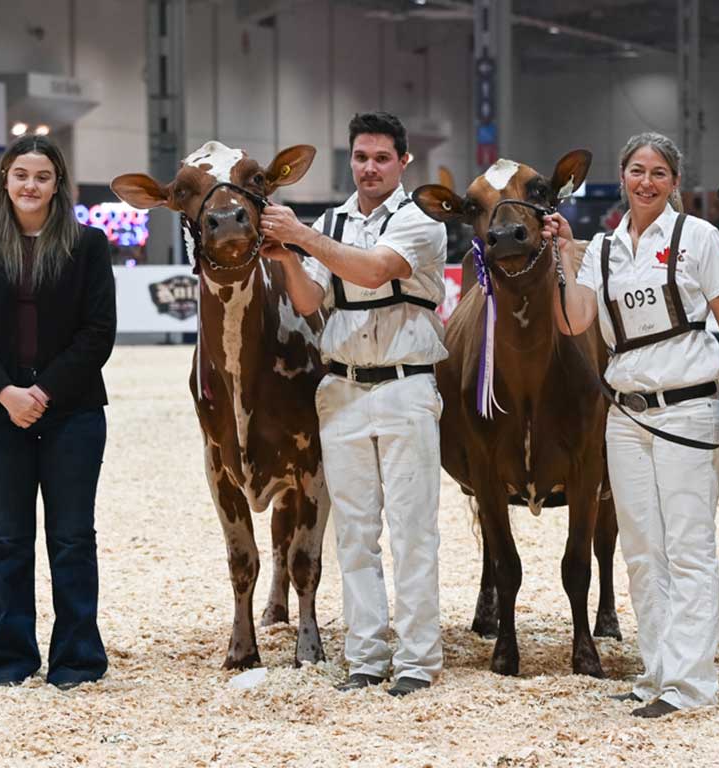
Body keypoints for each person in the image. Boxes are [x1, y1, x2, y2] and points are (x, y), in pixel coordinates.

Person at [544, 132, 719, 718]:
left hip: (689, 406)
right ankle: (658, 672)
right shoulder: (605, 249)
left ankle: (690, 686)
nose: (647, 181)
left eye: (659, 173)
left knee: (688, 548)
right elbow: (575, 321)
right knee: (641, 551)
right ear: (622, 176)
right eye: (637, 170)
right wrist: (566, 253)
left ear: (674, 182)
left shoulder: (699, 238)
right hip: (626, 414)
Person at [260, 112, 447, 697]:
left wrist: (302, 237)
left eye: (382, 158)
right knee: (355, 534)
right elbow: (313, 297)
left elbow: (373, 269)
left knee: (412, 530)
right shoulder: (335, 219)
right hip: (340, 387)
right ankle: (365, 654)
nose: (370, 167)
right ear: (352, 160)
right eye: (362, 157)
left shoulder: (421, 220)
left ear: (403, 163)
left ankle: (417, 660)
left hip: (405, 385)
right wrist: (288, 257)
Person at [0, 135, 116, 689]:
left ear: (57, 184)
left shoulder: (88, 245)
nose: (30, 185)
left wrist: (41, 393)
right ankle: (7, 657)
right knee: (7, 537)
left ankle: (76, 659)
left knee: (72, 538)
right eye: (21, 174)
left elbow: (98, 334)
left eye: (42, 176)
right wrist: (5, 394)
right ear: (5, 179)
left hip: (73, 413)